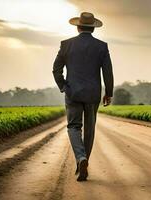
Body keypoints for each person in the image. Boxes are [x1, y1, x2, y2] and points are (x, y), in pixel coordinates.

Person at [52, 12, 114, 182]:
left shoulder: (66, 45)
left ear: (78, 27)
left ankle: (80, 158)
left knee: (73, 127)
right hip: (93, 94)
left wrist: (63, 86)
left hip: (73, 92)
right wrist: (108, 93)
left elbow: (56, 70)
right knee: (90, 130)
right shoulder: (102, 47)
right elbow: (107, 72)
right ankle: (84, 160)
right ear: (93, 28)